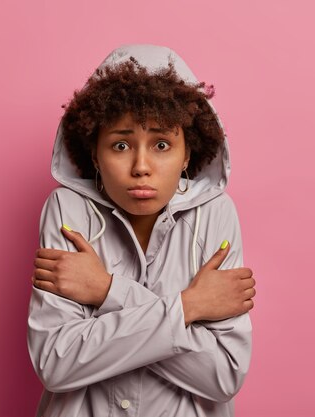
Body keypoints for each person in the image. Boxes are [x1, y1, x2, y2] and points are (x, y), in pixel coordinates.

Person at [27, 44, 256, 417]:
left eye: (162, 144)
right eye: (120, 145)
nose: (141, 166)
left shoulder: (216, 213)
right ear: (95, 154)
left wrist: (106, 291)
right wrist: (190, 306)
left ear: (187, 154)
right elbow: (56, 363)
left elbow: (223, 375)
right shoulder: (67, 209)